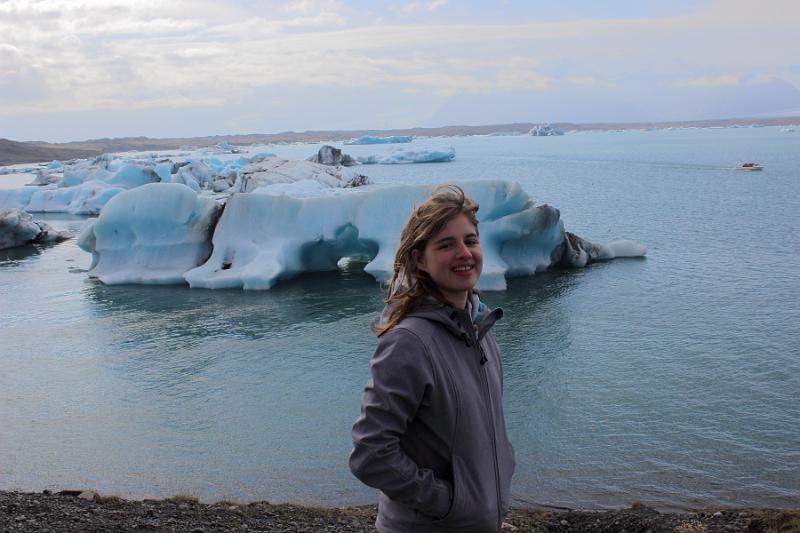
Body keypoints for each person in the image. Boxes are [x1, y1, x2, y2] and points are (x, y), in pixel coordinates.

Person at [349, 184, 515, 533]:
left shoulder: (481, 328)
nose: (464, 253)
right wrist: (448, 503)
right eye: (445, 245)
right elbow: (370, 453)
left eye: (470, 240)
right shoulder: (409, 342)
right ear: (419, 260)